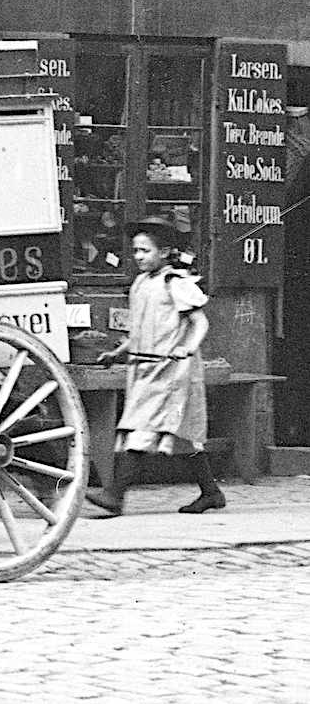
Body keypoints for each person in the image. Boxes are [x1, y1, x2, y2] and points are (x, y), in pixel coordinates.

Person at [85, 217, 225, 516]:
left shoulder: (174, 282)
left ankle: (115, 495)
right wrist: (117, 353)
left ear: (163, 253)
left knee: (139, 428)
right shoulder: (140, 283)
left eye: (145, 251)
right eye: (135, 251)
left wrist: (186, 348)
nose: (138, 256)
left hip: (171, 371)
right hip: (145, 368)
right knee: (181, 437)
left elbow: (200, 322)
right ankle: (211, 492)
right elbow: (139, 331)